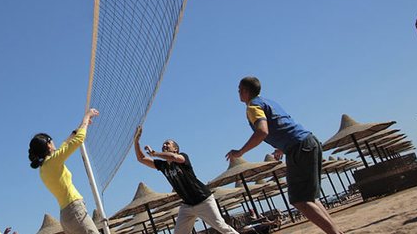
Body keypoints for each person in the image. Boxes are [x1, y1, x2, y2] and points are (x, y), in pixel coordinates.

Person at [226, 76, 343, 234]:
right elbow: (283, 123)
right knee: (310, 199)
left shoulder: (253, 107)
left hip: (299, 148)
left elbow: (262, 131)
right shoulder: (268, 102)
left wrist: (240, 152)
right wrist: (281, 147)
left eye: (239, 90)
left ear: (245, 91)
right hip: (308, 142)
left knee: (299, 200)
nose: (238, 93)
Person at [133, 126, 238, 234]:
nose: (164, 145)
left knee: (221, 226)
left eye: (167, 144)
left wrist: (155, 153)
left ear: (175, 149)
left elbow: (174, 157)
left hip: (203, 200)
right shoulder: (162, 165)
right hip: (187, 205)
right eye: (163, 145)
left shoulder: (183, 157)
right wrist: (136, 142)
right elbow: (141, 159)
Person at [28, 108, 101, 234]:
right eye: (51, 140)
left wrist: (80, 127)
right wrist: (86, 117)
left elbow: (65, 144)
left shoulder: (44, 168)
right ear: (48, 144)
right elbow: (78, 140)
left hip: (66, 215)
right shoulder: (52, 162)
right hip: (74, 210)